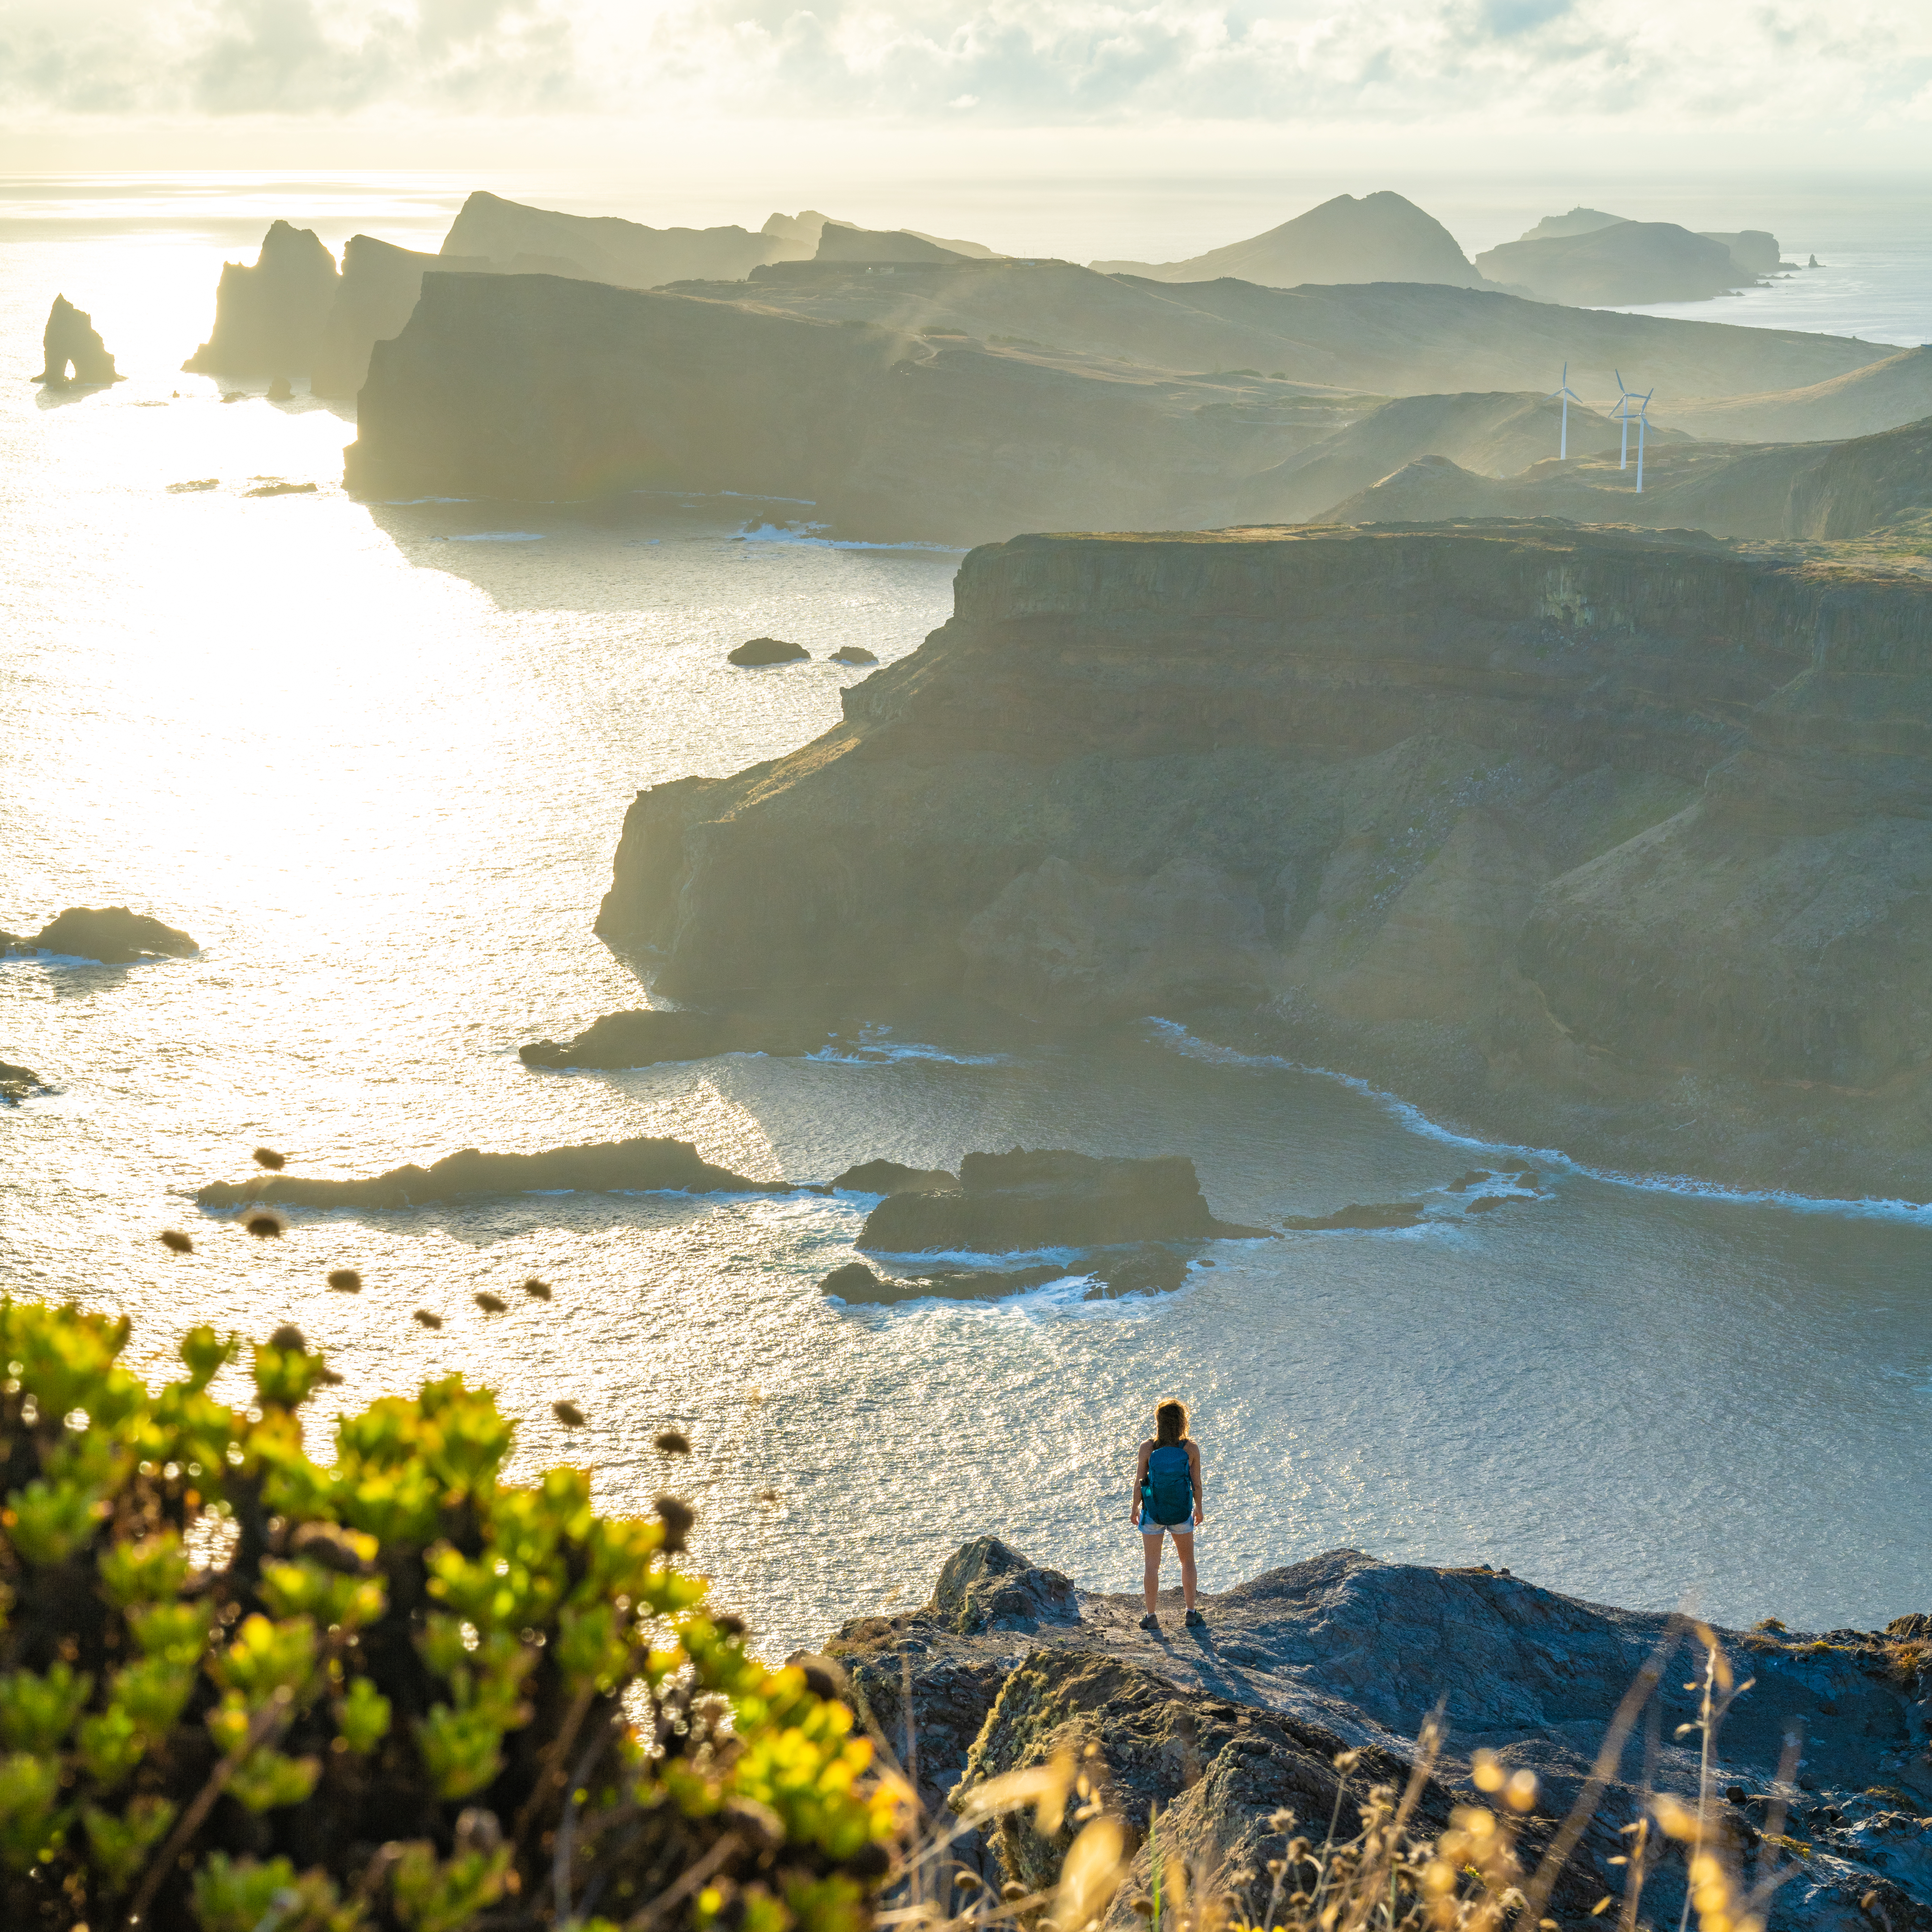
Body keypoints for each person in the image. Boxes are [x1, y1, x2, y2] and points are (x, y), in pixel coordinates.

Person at [1130, 1397, 1204, 1630]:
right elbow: (1197, 1485)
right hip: (1182, 1513)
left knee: (1152, 1565)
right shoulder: (1190, 1449)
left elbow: (1140, 1482)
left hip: (1153, 1513)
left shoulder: (1148, 1448)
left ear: (1159, 1422)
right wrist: (1199, 1509)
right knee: (1187, 1562)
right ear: (1183, 1422)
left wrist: (1135, 1508)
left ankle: (1151, 1616)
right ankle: (1191, 1613)